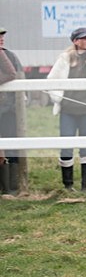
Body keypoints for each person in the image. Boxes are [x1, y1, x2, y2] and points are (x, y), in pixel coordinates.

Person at [47, 27, 86, 192]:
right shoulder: (64, 59)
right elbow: (51, 81)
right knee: (66, 146)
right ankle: (67, 185)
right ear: (75, 41)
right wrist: (58, 98)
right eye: (84, 38)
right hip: (67, 110)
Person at [0, 27, 24, 194]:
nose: (2, 38)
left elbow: (13, 74)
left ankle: (12, 187)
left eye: (2, 35)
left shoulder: (9, 56)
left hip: (7, 108)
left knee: (10, 145)